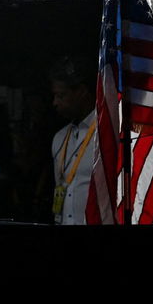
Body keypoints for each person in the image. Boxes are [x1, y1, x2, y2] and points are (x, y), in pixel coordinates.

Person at [49, 56, 96, 225]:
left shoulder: (106, 133)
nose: (55, 102)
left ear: (82, 92)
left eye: (61, 96)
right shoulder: (59, 138)